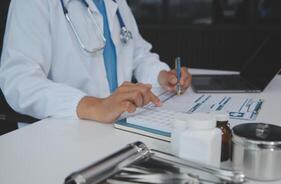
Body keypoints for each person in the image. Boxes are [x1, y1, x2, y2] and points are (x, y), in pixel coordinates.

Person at [0, 0, 191, 123]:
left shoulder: (115, 3)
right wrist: (94, 106)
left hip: (117, 123)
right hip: (57, 133)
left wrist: (162, 76)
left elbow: (138, 53)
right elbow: (19, 80)